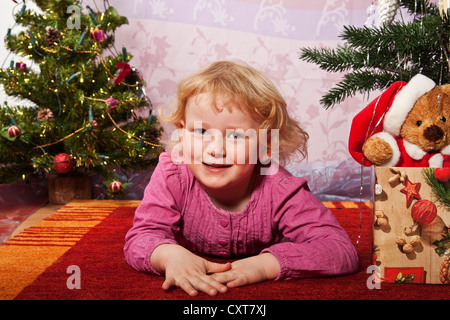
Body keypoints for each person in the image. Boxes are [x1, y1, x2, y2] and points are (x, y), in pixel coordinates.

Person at [123, 60, 358, 296]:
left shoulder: (280, 189)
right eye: (202, 131)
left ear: (266, 145)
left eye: (235, 135)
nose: (215, 149)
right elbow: (142, 236)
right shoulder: (173, 174)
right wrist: (168, 255)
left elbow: (339, 249)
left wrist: (265, 265)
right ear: (182, 133)